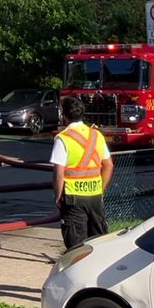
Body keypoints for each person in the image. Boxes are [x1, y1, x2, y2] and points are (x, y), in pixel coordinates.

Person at [51, 95, 113, 249]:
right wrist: (100, 188)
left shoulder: (63, 138)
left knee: (76, 248)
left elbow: (59, 173)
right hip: (95, 197)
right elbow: (109, 165)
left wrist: (58, 197)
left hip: (73, 199)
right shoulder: (96, 135)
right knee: (98, 244)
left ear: (63, 115)